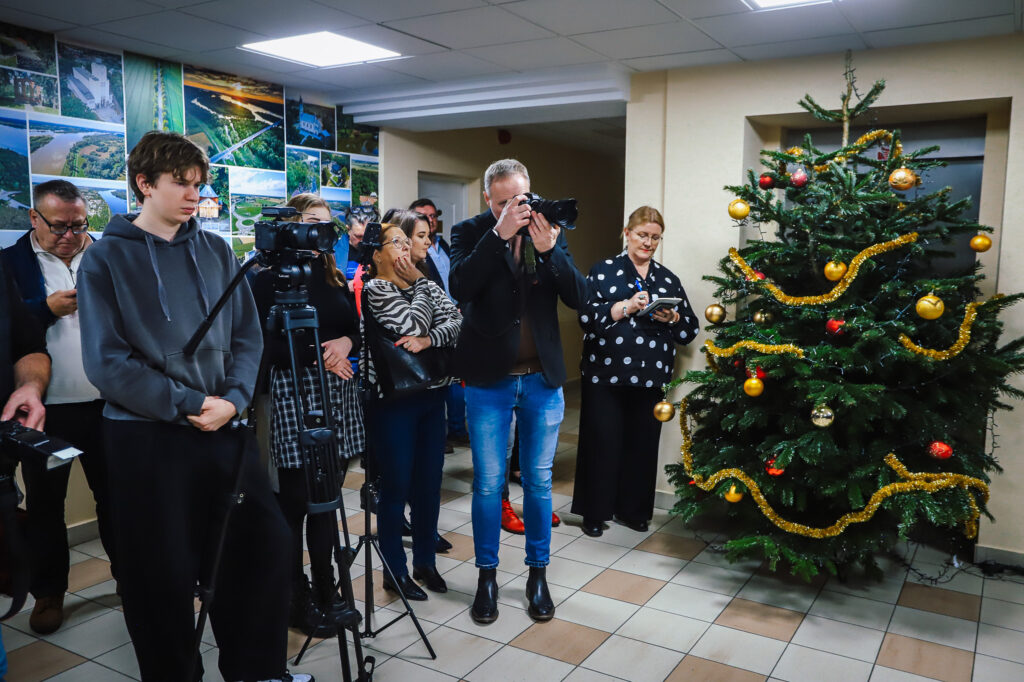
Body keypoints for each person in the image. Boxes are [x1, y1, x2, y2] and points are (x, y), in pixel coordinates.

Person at [77, 131, 308, 682]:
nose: (192, 195)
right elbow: (107, 364)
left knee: (260, 553)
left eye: (197, 184)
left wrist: (230, 400)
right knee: (159, 578)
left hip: (224, 430)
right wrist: (187, 402)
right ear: (144, 184)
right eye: (180, 183)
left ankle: (256, 673)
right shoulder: (105, 260)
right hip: (148, 440)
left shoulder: (216, 249)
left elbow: (249, 336)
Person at [450, 159, 587, 625]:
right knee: (489, 483)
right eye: (505, 201)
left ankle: (537, 574)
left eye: (521, 198)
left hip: (542, 380)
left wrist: (550, 251)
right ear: (488, 200)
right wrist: (499, 234)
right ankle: (487, 576)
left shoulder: (548, 230)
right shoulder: (469, 232)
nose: (516, 207)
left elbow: (578, 297)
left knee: (539, 482)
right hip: (489, 380)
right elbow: (461, 285)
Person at [1, 180, 116, 635]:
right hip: (47, 410)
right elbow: (10, 327)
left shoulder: (106, 255)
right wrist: (45, 307)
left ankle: (130, 578)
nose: (69, 235)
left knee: (118, 499)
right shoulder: (11, 264)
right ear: (34, 218)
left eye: (78, 225)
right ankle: (49, 593)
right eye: (58, 226)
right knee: (47, 508)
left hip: (110, 404)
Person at [252, 193, 364, 638]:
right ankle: (294, 596)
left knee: (327, 501)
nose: (320, 234)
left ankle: (327, 590)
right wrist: (320, 354)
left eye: (325, 226)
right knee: (296, 503)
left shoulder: (331, 275)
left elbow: (350, 327)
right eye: (311, 223)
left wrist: (346, 346)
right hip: (292, 395)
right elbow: (260, 345)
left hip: (337, 395)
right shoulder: (267, 280)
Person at [572, 206, 699, 537]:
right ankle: (595, 513)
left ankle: (634, 511)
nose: (649, 242)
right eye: (643, 235)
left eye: (655, 237)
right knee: (602, 442)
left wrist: (671, 318)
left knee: (642, 445)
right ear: (627, 233)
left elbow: (690, 330)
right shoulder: (603, 271)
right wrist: (624, 308)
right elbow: (585, 318)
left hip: (651, 377)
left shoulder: (668, 278)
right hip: (604, 375)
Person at [359, 222, 461, 601]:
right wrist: (421, 289)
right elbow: (411, 323)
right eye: (396, 243)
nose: (404, 249)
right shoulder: (376, 289)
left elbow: (456, 321)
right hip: (395, 401)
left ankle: (424, 562)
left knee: (428, 484)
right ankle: (394, 570)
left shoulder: (421, 283)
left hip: (433, 394)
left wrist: (430, 338)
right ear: (376, 254)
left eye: (407, 241)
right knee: (396, 485)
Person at [409, 198, 471, 451]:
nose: (431, 220)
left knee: (455, 378)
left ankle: (455, 429)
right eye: (424, 217)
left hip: (455, 314)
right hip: (432, 321)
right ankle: (441, 433)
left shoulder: (444, 244)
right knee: (435, 380)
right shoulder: (408, 263)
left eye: (433, 216)